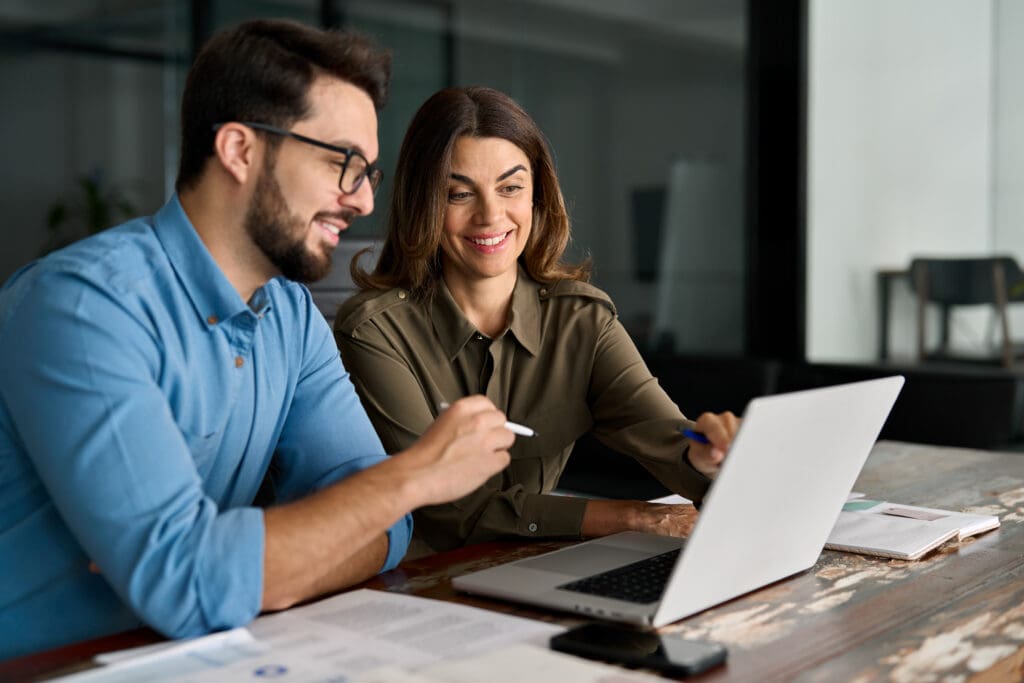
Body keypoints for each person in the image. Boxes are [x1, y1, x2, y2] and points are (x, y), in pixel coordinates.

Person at [0, 22, 515, 660]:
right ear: (240, 150)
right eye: (341, 164)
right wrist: (413, 477)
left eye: (368, 174)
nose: (359, 201)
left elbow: (387, 532)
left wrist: (248, 569)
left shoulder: (291, 317)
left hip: (215, 658)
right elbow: (192, 582)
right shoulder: (84, 307)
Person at [334, 86, 740, 556]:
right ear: (423, 203)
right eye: (459, 193)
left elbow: (667, 437)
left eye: (511, 188)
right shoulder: (373, 331)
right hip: (416, 584)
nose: (490, 216)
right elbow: (445, 513)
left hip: (535, 567)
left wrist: (706, 455)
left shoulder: (581, 320)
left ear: (537, 196)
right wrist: (626, 517)